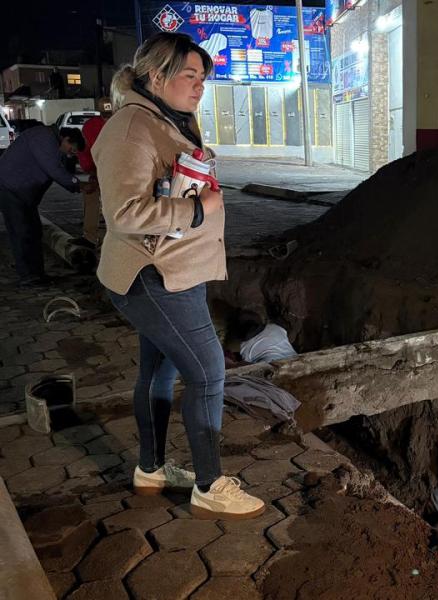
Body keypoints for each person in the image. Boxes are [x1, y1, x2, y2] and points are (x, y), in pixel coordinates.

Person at [93, 32, 265, 520]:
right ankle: (210, 485)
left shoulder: (163, 120)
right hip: (155, 276)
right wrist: (196, 210)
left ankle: (151, 469)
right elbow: (124, 211)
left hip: (170, 271)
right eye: (189, 75)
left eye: (203, 78)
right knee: (208, 372)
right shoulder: (132, 127)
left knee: (160, 370)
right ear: (155, 76)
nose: (199, 87)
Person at [0, 125, 85, 286]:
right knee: (22, 232)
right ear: (66, 139)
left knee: (34, 231)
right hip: (11, 188)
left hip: (23, 193)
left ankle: (37, 273)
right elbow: (53, 170)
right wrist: (79, 185)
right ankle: (27, 276)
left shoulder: (51, 142)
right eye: (71, 150)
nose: (70, 154)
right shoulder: (43, 138)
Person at [76, 111, 111, 245]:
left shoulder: (91, 125)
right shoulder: (117, 122)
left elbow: (85, 150)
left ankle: (90, 236)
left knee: (93, 199)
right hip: (105, 169)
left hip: (102, 168)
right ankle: (92, 236)